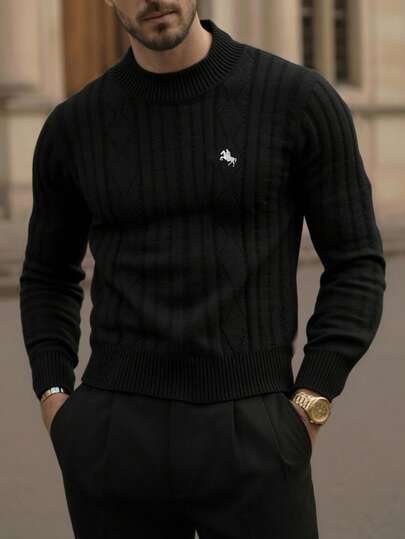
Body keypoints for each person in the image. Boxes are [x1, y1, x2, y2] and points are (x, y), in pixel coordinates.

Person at [19, 1, 386, 537]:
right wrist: (55, 397)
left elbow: (356, 263)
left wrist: (312, 400)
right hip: (112, 438)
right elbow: (48, 276)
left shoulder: (297, 100)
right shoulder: (73, 126)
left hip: (256, 434)